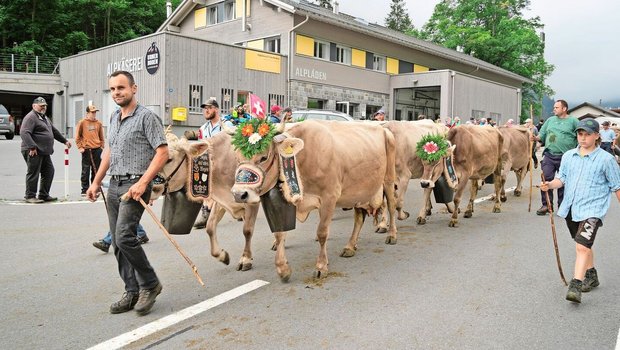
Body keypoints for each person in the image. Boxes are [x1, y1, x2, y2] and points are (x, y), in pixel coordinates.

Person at [86, 70, 168, 316]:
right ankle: (131, 291)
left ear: (134, 88)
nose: (116, 93)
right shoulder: (113, 117)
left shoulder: (147, 117)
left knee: (123, 237)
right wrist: (96, 182)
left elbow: (162, 152)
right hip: (114, 186)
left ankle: (150, 284)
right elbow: (109, 153)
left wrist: (144, 183)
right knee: (118, 244)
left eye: (121, 87)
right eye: (112, 89)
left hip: (135, 186)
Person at [540, 118, 620, 303]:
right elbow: (562, 179)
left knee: (581, 246)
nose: (583, 138)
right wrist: (550, 184)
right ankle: (592, 275)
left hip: (593, 210)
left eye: (587, 134)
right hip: (571, 208)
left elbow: (617, 186)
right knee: (584, 244)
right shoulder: (568, 156)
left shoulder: (606, 160)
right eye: (580, 134)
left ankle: (576, 285)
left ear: (597, 136)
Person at [20, 97, 72, 203]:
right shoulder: (31, 117)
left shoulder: (44, 117)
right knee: (33, 173)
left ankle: (43, 195)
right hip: (33, 150)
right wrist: (32, 147)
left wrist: (64, 141)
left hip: (43, 151)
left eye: (44, 105)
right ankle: (30, 196)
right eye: (41, 105)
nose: (43, 107)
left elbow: (54, 131)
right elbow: (24, 132)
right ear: (34, 106)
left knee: (49, 171)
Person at [532, 100, 579, 215]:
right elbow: (541, 136)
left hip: (566, 157)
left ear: (564, 109)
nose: (554, 109)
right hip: (549, 154)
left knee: (563, 181)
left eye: (556, 107)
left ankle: (563, 206)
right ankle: (546, 205)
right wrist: (534, 137)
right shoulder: (550, 120)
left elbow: (580, 135)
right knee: (546, 180)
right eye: (554, 107)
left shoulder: (573, 121)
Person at [193, 97, 234, 229]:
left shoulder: (227, 125)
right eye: (205, 108)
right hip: (208, 162)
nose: (206, 111)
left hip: (225, 162)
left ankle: (208, 214)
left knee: (219, 188)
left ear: (216, 109)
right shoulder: (203, 128)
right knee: (207, 187)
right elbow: (200, 145)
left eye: (209, 108)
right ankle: (206, 214)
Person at [75, 105, 105, 196]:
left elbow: (101, 137)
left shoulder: (98, 123)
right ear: (87, 113)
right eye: (92, 112)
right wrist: (80, 147)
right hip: (87, 150)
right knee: (86, 170)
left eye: (95, 112)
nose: (94, 114)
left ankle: (95, 187)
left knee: (96, 170)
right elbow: (77, 136)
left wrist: (101, 146)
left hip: (97, 149)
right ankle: (84, 189)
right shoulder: (82, 123)